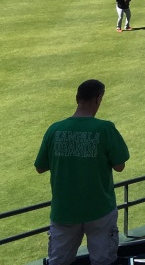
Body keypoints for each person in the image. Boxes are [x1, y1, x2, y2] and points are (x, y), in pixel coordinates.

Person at [35, 79, 129, 265]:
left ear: (77, 98)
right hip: (100, 210)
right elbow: (120, 166)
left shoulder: (54, 130)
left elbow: (40, 167)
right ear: (98, 98)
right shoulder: (105, 129)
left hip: (64, 211)